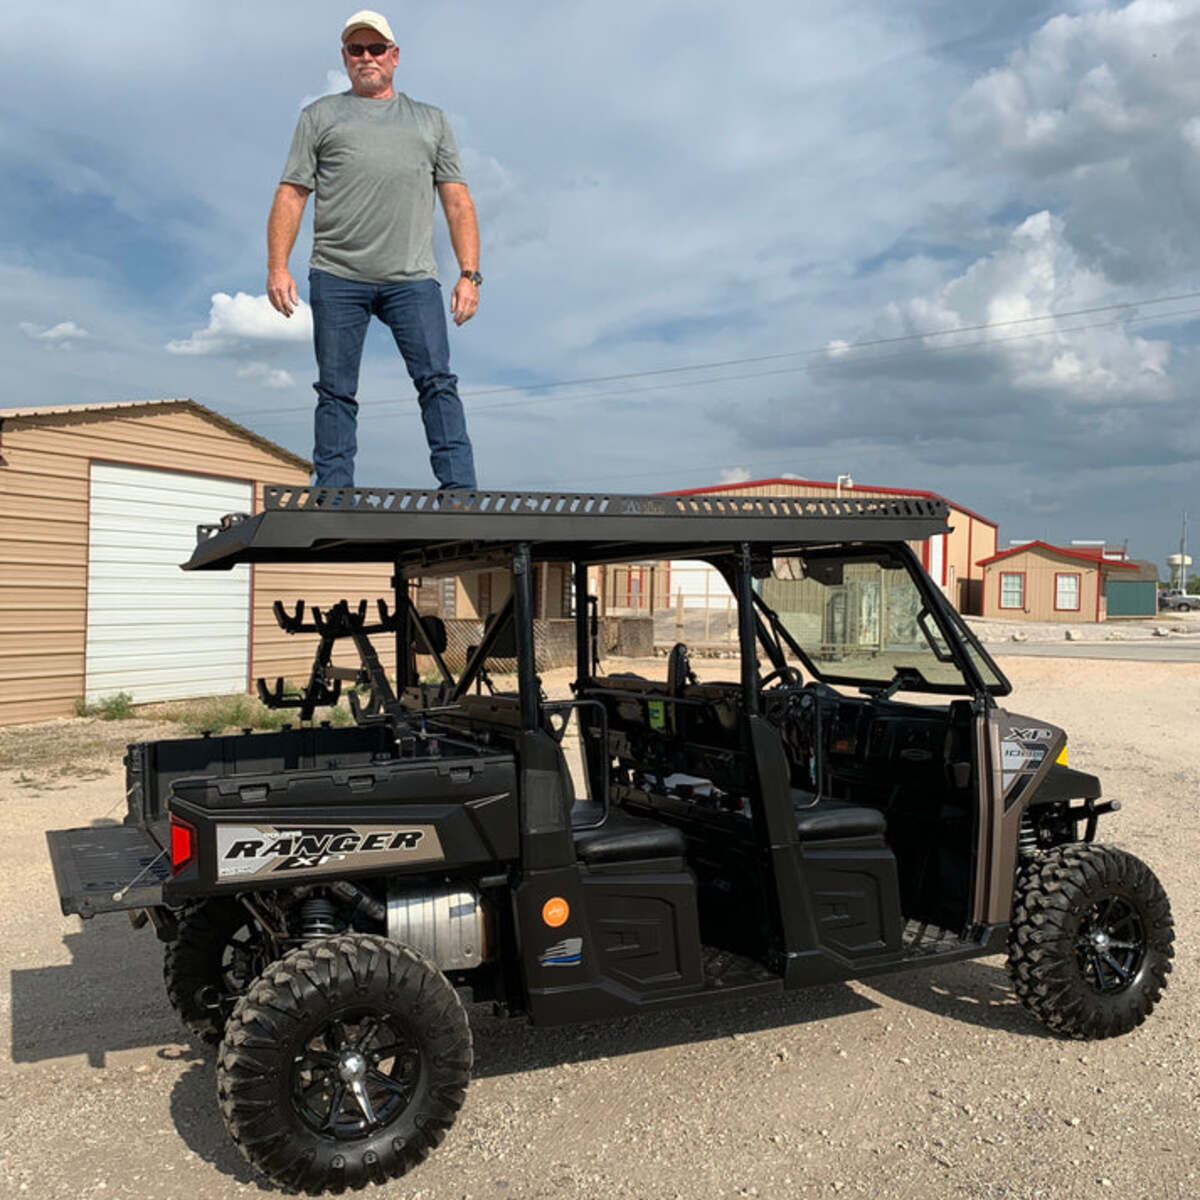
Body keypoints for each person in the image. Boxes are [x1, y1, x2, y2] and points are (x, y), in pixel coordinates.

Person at [266, 10, 480, 491]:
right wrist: (277, 266)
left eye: (376, 49)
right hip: (338, 275)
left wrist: (470, 274)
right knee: (335, 391)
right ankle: (335, 492)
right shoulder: (318, 117)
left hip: (412, 279)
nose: (367, 58)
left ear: (395, 57)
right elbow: (291, 193)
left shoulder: (430, 120)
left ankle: (461, 495)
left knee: (437, 382)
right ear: (344, 58)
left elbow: (457, 200)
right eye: (356, 50)